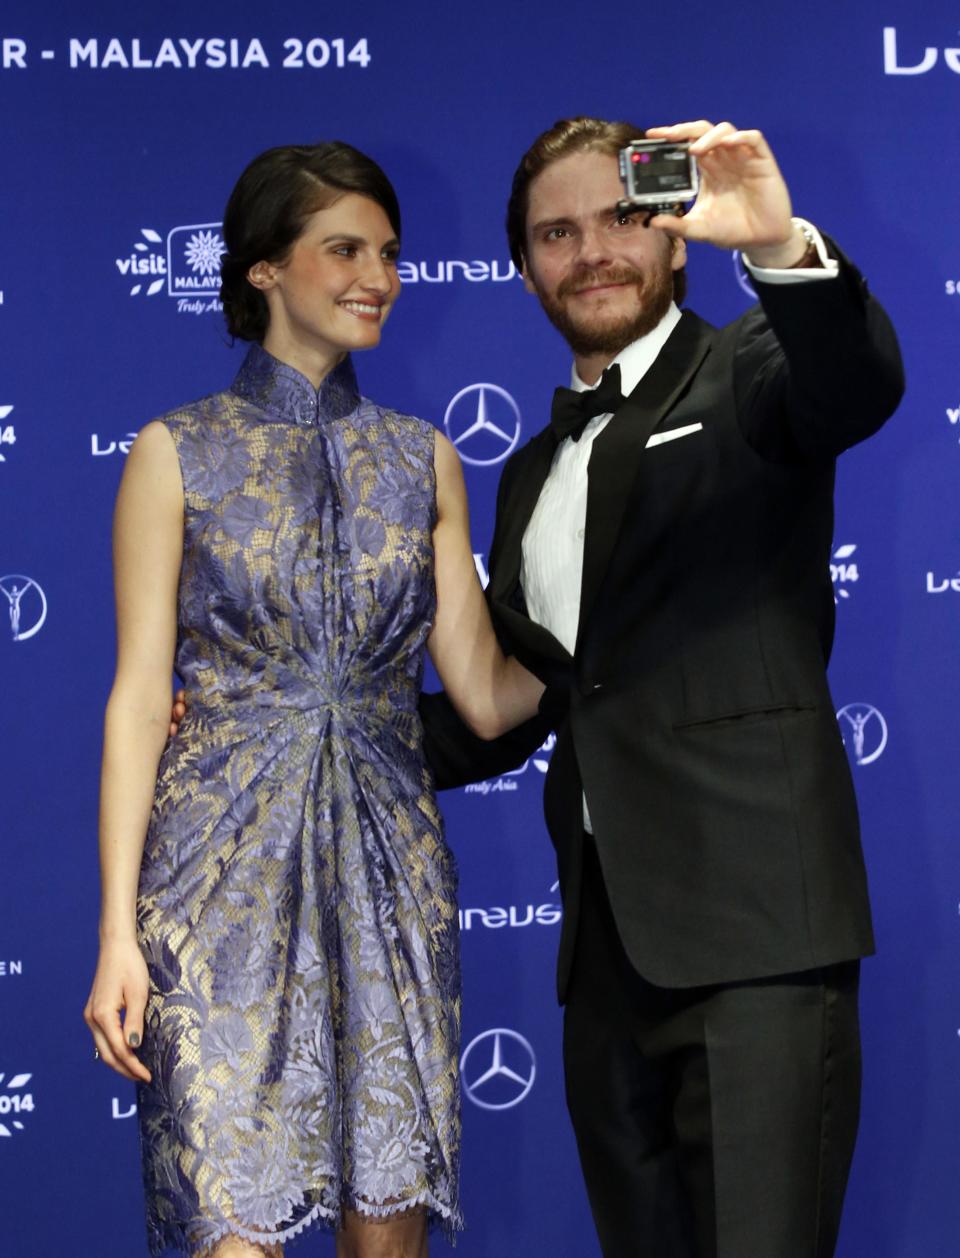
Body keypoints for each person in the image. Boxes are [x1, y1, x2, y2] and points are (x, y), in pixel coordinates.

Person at [419, 117, 905, 1257]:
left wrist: (780, 245)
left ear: (677, 237)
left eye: (624, 219)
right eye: (556, 232)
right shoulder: (530, 469)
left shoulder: (749, 367)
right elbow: (518, 699)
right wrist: (297, 740)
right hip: (603, 965)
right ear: (526, 265)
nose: (593, 251)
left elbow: (855, 384)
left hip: (755, 945)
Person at [83, 140, 543, 1258]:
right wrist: (115, 933)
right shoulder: (173, 452)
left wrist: (617, 621)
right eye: (344, 249)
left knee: (386, 1231)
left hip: (389, 874)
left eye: (389, 253)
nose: (377, 277)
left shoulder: (423, 457)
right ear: (263, 270)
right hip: (214, 884)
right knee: (228, 1218)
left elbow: (484, 696)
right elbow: (141, 697)